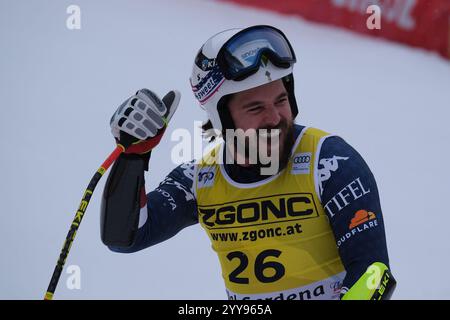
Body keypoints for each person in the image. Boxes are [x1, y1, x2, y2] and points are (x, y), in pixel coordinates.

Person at [101, 25, 396, 300]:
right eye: (255, 108)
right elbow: (124, 238)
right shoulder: (199, 178)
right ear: (222, 118)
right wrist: (133, 158)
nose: (275, 118)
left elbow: (374, 274)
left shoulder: (331, 162)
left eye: (280, 101)